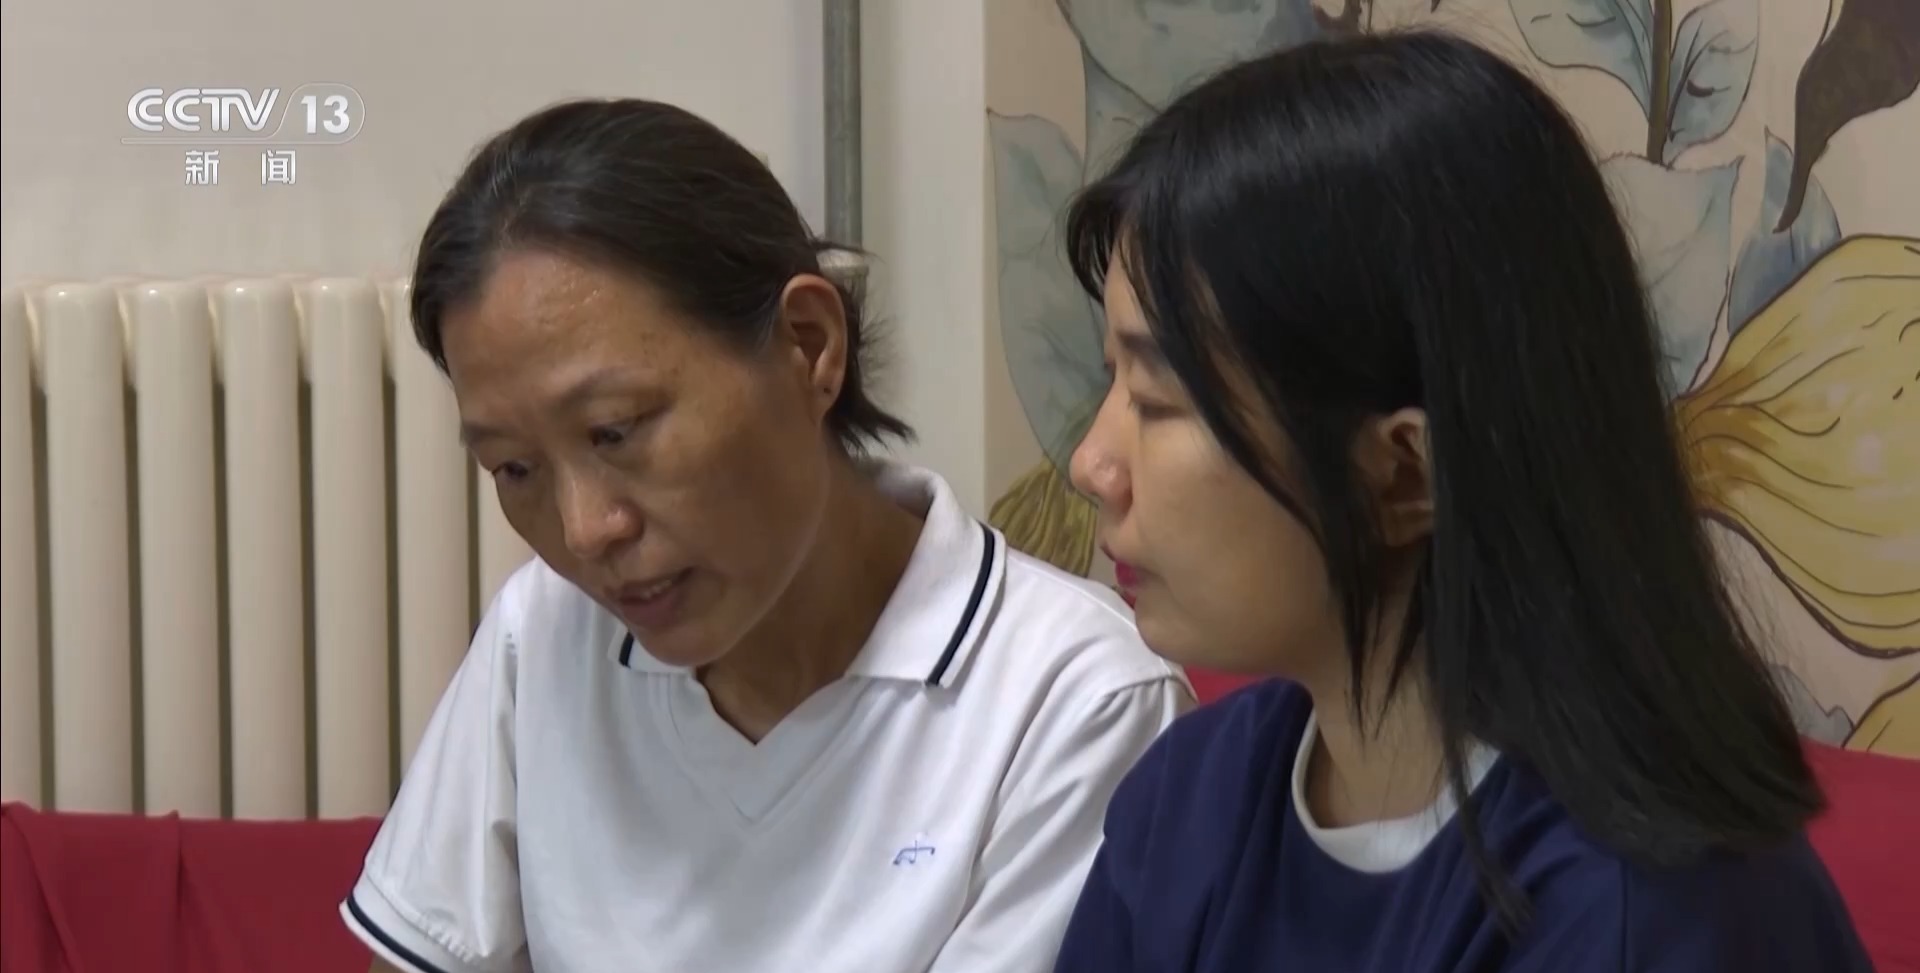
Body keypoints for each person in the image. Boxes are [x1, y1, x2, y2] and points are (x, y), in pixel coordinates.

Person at [1051, 30, 1873, 973]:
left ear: (1407, 474)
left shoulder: (1648, 919)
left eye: (1157, 399)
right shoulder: (1188, 803)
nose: (1091, 464)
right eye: (1111, 379)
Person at [339, 98, 1192, 973]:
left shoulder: (1074, 700)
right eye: (515, 468)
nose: (586, 531)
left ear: (808, 347)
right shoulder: (547, 631)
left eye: (617, 429)